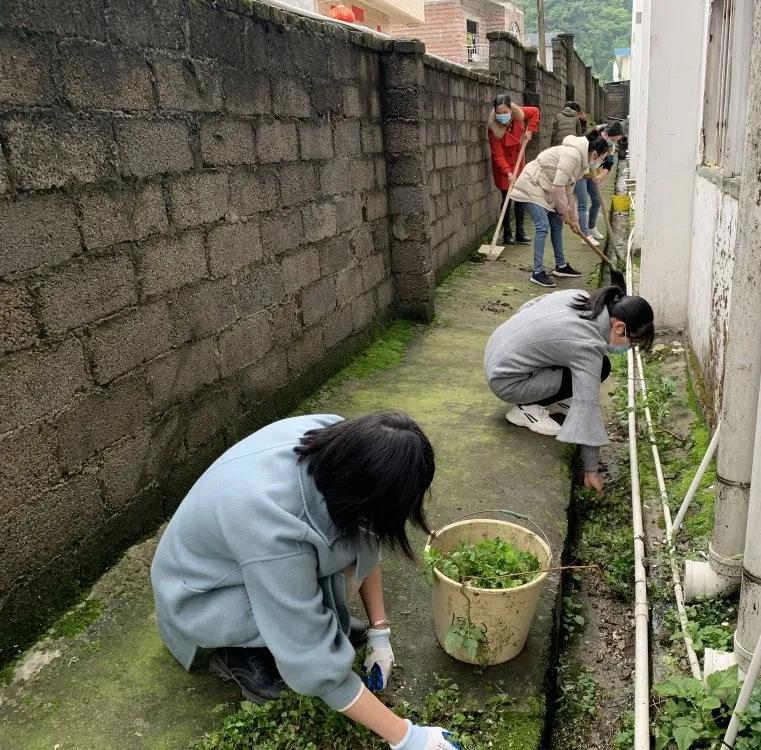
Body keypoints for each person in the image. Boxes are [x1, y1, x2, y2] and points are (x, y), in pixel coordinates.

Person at [151, 412, 461, 750]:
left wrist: (380, 630)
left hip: (242, 556)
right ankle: (235, 653)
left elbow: (368, 535)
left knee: (329, 594)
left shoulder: (342, 441)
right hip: (200, 595)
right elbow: (316, 662)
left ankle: (299, 629)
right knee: (305, 640)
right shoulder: (270, 523)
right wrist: (407, 737)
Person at [484, 286, 655, 493]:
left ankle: (545, 396)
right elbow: (588, 406)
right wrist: (591, 470)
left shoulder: (581, 296)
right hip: (507, 381)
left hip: (496, 349)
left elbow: (528, 306)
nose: (628, 348)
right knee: (599, 369)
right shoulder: (587, 345)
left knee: (599, 365)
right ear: (619, 328)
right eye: (631, 343)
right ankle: (525, 408)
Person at [509, 134, 614, 287]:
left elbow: (568, 192)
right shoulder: (572, 155)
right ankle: (537, 272)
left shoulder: (582, 163)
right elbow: (558, 188)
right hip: (532, 184)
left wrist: (575, 219)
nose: (598, 163)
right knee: (542, 227)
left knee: (557, 224)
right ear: (594, 154)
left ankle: (561, 266)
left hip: (547, 189)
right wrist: (566, 215)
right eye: (600, 159)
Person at [487, 93, 539, 244]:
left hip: (518, 162)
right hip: (503, 168)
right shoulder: (493, 128)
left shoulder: (519, 113)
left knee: (520, 197)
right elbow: (498, 155)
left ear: (510, 109)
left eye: (505, 112)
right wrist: (508, 172)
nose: (502, 115)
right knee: (507, 198)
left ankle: (520, 232)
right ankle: (507, 234)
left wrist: (530, 130)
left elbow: (535, 112)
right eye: (499, 113)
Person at [575, 122, 626, 244]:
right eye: (614, 140)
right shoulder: (591, 140)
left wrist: (600, 176)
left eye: (616, 141)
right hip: (580, 172)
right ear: (607, 134)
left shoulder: (611, 146)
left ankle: (591, 228)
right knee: (582, 203)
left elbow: (609, 164)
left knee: (596, 201)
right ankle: (585, 235)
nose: (614, 143)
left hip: (594, 173)